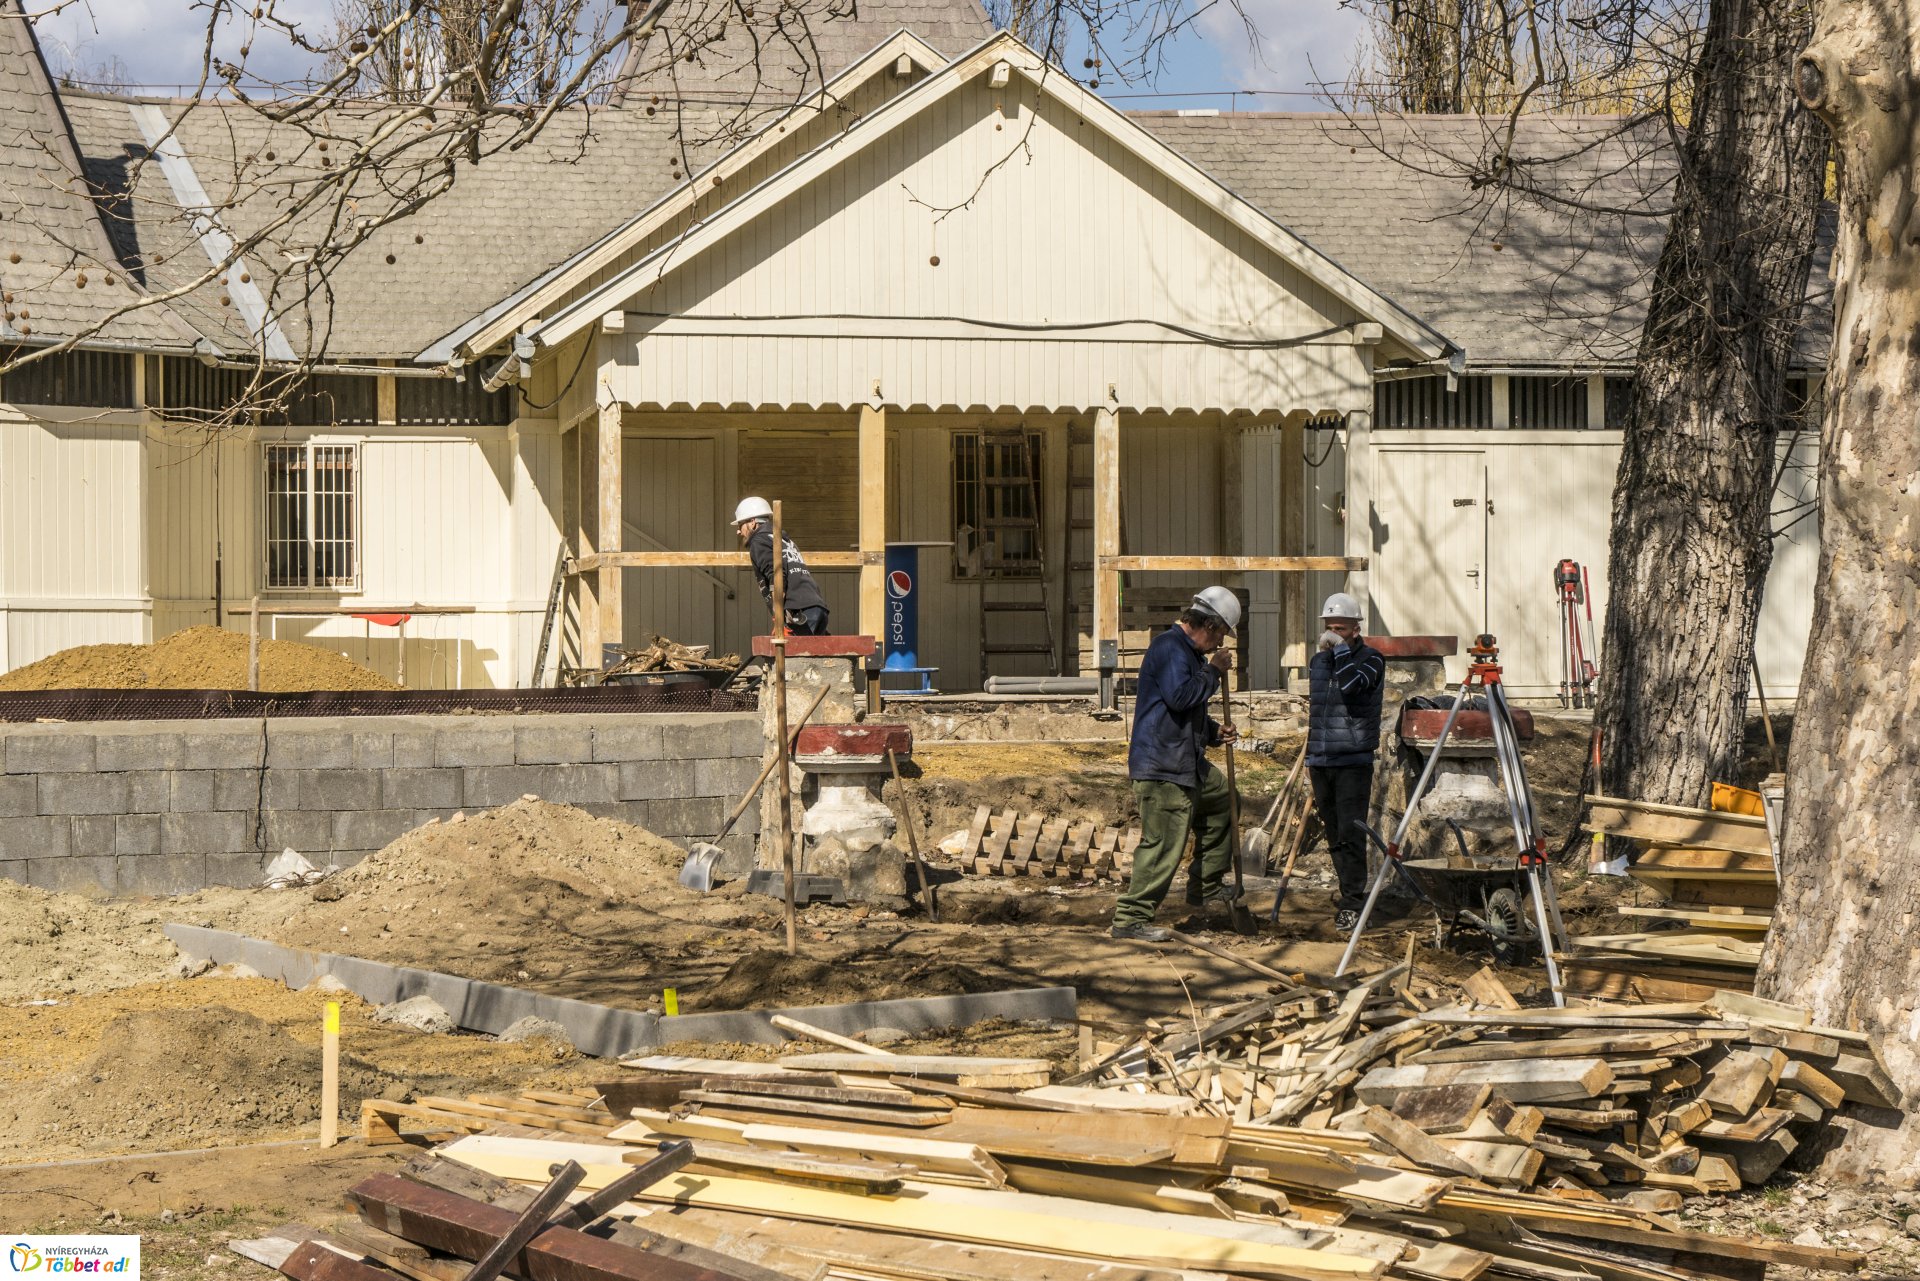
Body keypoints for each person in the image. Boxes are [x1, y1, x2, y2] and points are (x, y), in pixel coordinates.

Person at [1111, 587, 1242, 942]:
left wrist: (1216, 732)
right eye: (1219, 635)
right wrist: (1214, 672)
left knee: (1222, 799)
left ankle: (1206, 886)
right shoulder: (1170, 649)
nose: (1218, 644)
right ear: (1209, 626)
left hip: (1184, 759)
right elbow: (1180, 696)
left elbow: (1181, 713)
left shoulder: (1188, 655)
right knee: (1163, 843)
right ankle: (1131, 918)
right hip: (1162, 766)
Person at [1307, 591, 1385, 932]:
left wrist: (1339, 650)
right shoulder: (1318, 662)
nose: (1331, 634)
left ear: (1355, 629)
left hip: (1352, 759)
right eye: (1328, 627)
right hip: (1321, 758)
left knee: (1352, 833)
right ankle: (1347, 893)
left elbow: (1353, 686)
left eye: (1339, 628)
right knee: (1335, 833)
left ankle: (1354, 903)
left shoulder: (1372, 660)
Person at [734, 497, 830, 635]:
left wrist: (779, 622)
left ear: (753, 522)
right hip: (815, 607)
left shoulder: (759, 541)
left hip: (799, 611)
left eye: (740, 525)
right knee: (812, 654)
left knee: (793, 655)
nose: (738, 531)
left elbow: (777, 577)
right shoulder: (783, 540)